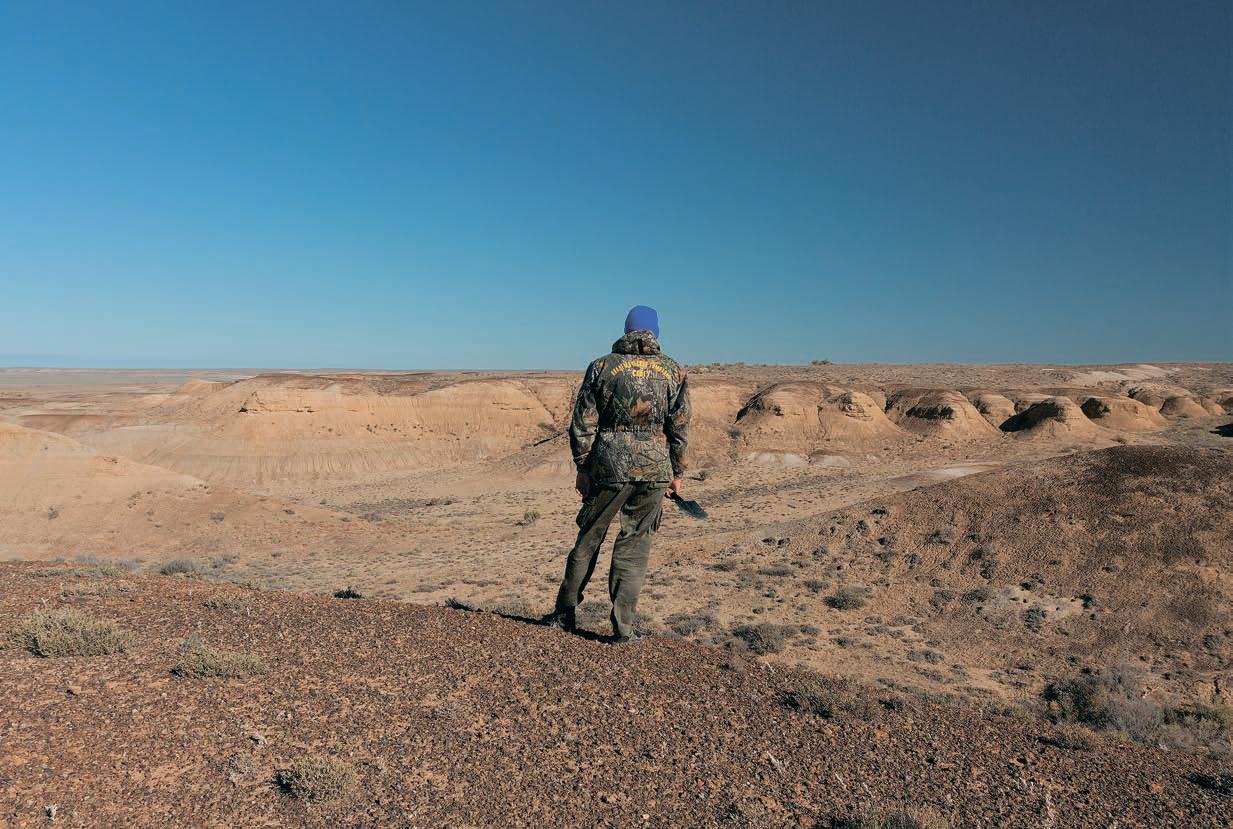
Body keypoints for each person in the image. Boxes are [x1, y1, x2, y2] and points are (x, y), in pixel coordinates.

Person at [545, 305, 691, 643]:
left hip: (608, 466)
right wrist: (677, 471)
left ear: (627, 329)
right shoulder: (674, 371)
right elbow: (680, 427)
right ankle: (623, 629)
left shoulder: (602, 367)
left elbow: (582, 423)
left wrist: (583, 467)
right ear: (655, 332)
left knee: (588, 539)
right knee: (635, 546)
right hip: (655, 467)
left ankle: (564, 616)